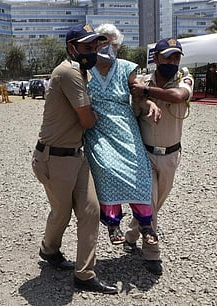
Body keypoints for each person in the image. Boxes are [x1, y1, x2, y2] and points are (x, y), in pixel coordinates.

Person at [31, 23, 117, 294]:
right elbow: (88, 120)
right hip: (54, 159)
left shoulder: (81, 72)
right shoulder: (68, 72)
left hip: (76, 156)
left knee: (90, 211)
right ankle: (49, 249)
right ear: (72, 48)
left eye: (95, 47)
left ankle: (85, 274)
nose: (93, 52)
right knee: (62, 213)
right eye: (87, 47)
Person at [84, 24, 161, 247]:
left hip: (125, 126)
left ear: (117, 46)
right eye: (101, 41)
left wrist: (149, 103)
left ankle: (146, 223)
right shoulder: (85, 70)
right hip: (98, 126)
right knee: (106, 168)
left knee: (140, 170)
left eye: (110, 42)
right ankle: (112, 222)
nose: (105, 46)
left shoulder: (127, 68)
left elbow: (137, 93)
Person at [126, 38, 194, 275]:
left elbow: (177, 96)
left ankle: (132, 233)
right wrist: (142, 98)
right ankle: (152, 253)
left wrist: (145, 92)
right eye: (167, 57)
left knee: (157, 204)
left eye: (176, 57)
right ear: (156, 59)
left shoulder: (184, 79)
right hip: (145, 155)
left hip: (171, 155)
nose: (173, 62)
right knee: (150, 204)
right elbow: (132, 112)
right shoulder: (142, 82)